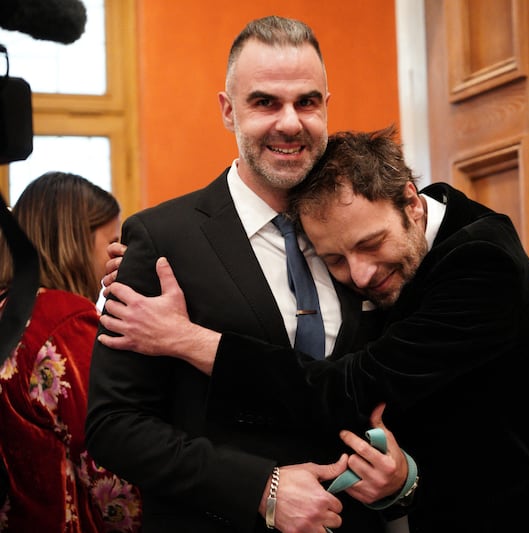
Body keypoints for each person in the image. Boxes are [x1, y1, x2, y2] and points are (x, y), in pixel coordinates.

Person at [98, 126, 529, 532]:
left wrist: (187, 339)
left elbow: (348, 387)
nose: (360, 275)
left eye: (370, 244)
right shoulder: (408, 233)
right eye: (336, 260)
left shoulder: (483, 265)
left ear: (411, 201)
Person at [85, 16, 409, 533]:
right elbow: (113, 425)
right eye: (265, 102)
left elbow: (386, 387)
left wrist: (402, 472)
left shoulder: (361, 231)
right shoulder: (162, 239)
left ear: (327, 106)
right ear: (228, 110)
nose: (289, 122)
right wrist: (260, 488)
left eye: (307, 102)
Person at [0, 171, 141, 532]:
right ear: (76, 240)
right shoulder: (62, 322)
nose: (118, 254)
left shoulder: (10, 311)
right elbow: (104, 460)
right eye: (111, 241)